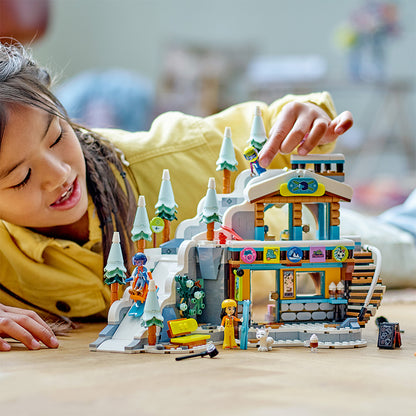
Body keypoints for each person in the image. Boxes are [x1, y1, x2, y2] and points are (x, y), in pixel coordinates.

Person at [0, 42, 353, 351]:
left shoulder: (175, 153)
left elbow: (273, 127)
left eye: (58, 136)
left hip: (311, 246)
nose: (59, 174)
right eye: (21, 177)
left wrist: (307, 114)